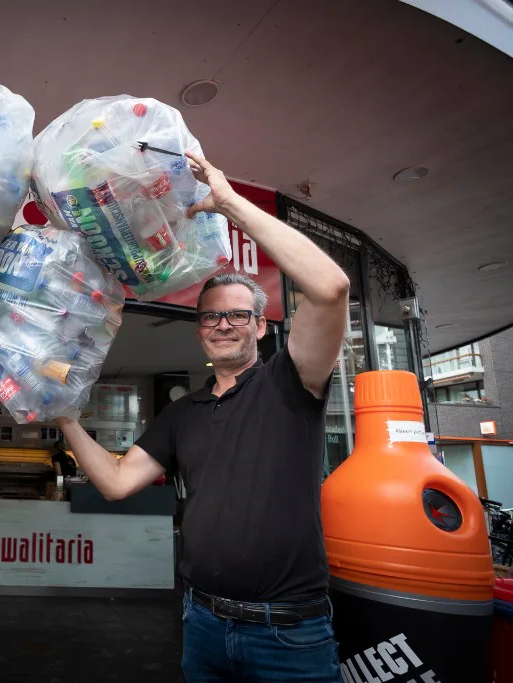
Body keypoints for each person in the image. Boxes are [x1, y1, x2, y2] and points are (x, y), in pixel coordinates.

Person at [55, 152, 350, 682]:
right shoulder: (183, 413)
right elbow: (118, 483)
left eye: (238, 314)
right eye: (211, 315)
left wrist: (230, 204)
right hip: (204, 624)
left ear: (261, 327)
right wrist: (64, 415)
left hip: (288, 635)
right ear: (199, 331)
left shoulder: (292, 382)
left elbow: (330, 289)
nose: (223, 324)